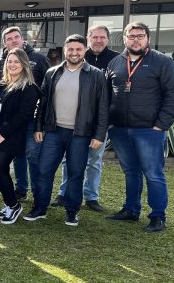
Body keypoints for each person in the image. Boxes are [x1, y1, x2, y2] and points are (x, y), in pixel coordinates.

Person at [105, 21, 174, 233]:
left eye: (140, 36)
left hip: (149, 130)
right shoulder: (115, 63)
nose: (136, 40)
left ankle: (158, 216)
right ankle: (131, 210)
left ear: (147, 38)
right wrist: (109, 122)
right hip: (119, 129)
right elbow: (106, 95)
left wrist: (160, 125)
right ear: (125, 38)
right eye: (132, 36)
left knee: (153, 173)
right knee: (130, 171)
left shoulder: (162, 62)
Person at [24, 34, 108, 226]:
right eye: (70, 49)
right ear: (64, 50)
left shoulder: (95, 75)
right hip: (53, 131)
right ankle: (40, 208)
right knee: (44, 170)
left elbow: (102, 107)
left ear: (85, 50)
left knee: (76, 173)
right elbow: (42, 103)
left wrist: (99, 134)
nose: (74, 53)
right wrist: (38, 127)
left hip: (80, 133)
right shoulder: (52, 73)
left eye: (78, 49)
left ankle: (72, 211)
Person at [51, 25, 120, 212]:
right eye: (94, 37)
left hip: (99, 121)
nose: (98, 40)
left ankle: (91, 196)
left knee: (94, 160)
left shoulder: (116, 59)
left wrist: (107, 120)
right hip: (75, 122)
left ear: (108, 39)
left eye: (102, 37)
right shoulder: (78, 55)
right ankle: (64, 194)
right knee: (68, 160)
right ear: (88, 39)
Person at [0, 26, 50, 202]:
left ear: (22, 39)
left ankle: (37, 194)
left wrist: (41, 122)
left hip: (31, 119)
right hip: (9, 123)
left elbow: (47, 90)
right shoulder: (0, 63)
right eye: (9, 39)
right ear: (4, 43)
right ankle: (21, 189)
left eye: (16, 37)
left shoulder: (39, 59)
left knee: (32, 155)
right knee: (18, 156)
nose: (13, 41)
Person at [0, 48, 40, 225]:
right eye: (10, 61)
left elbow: (23, 115)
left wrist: (4, 134)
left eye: (16, 61)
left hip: (12, 136)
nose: (12, 64)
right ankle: (9, 205)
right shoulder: (1, 85)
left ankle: (14, 205)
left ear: (24, 64)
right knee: (2, 171)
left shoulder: (29, 88)